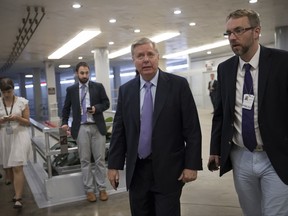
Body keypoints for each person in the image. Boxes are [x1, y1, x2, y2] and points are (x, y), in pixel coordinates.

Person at [108, 37, 202, 216]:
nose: (145, 59)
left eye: (150, 54)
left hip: (169, 170)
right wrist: (114, 165)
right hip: (137, 171)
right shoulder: (126, 91)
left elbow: (192, 129)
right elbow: (119, 131)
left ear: (158, 57)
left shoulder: (177, 85)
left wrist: (192, 165)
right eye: (140, 56)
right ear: (134, 61)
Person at [208, 9, 288, 216]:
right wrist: (215, 149)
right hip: (241, 156)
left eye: (239, 30)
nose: (232, 37)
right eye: (229, 33)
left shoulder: (282, 62)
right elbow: (221, 113)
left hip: (276, 155)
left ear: (256, 31)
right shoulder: (225, 69)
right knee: (251, 212)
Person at [61, 62, 110, 202]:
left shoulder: (98, 87)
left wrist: (96, 108)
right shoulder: (71, 90)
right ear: (77, 73)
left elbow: (106, 103)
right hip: (81, 127)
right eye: (82, 73)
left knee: (100, 159)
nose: (84, 76)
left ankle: (102, 189)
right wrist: (64, 122)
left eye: (87, 73)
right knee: (85, 160)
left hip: (97, 126)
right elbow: (66, 108)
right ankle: (89, 190)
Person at [0, 77, 32, 209]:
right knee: (10, 167)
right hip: (4, 136)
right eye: (4, 92)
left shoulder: (22, 102)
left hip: (20, 135)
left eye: (9, 91)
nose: (7, 94)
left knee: (18, 166)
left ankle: (18, 198)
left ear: (13, 89)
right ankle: (16, 191)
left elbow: (28, 121)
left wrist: (18, 118)